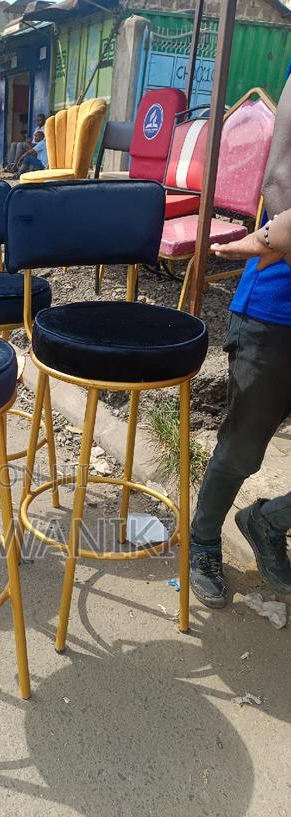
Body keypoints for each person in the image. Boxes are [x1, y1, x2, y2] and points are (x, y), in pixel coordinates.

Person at [189, 75, 291, 607]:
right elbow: (280, 180)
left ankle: (268, 522)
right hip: (277, 311)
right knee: (243, 449)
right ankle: (203, 539)